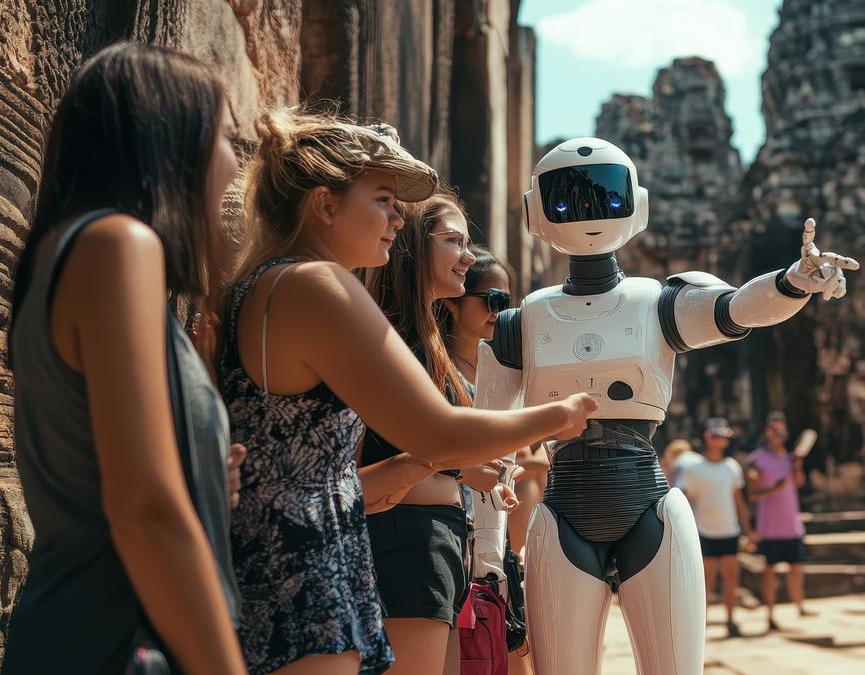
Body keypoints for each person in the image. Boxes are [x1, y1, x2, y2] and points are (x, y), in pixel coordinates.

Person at [220, 108, 595, 675]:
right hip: (300, 580)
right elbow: (441, 434)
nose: (398, 218)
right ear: (325, 204)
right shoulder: (315, 284)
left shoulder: (256, 287)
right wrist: (561, 413)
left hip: (279, 563)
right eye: (382, 200)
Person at [474, 136, 857, 674]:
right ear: (535, 212)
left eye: (604, 195)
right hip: (563, 511)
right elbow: (488, 451)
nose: (586, 212)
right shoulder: (520, 322)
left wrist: (793, 282)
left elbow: (736, 309)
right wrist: (487, 552)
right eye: (568, 200)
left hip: (647, 503)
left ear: (636, 204)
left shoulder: (656, 301)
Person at [2, 43, 245, 674]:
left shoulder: (71, 249)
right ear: (173, 140)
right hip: (111, 644)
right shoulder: (118, 244)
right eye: (224, 136)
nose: (234, 161)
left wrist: (204, 479)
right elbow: (144, 511)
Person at [358, 193, 518, 674]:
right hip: (408, 539)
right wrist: (558, 416)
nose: (468, 256)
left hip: (442, 538)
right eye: (453, 242)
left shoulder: (427, 340)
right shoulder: (395, 338)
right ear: (411, 247)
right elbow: (387, 452)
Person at [443, 246, 540, 675]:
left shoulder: (513, 371)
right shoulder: (438, 369)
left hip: (505, 544)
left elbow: (533, 463)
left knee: (513, 653)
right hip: (456, 532)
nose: (501, 312)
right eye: (492, 299)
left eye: (509, 302)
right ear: (453, 301)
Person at [676, 417, 755, 638]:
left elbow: (739, 501)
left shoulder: (732, 467)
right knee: (706, 581)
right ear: (707, 437)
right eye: (716, 435)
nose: (721, 440)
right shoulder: (694, 468)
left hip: (729, 531)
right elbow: (685, 501)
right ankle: (702, 623)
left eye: (723, 436)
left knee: (732, 579)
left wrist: (749, 531)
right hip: (704, 532)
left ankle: (731, 620)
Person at [748, 411, 814, 628]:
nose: (779, 433)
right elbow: (753, 494)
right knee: (770, 571)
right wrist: (771, 490)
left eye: (782, 430)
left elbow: (799, 483)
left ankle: (800, 606)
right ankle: (770, 614)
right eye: (775, 429)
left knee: (796, 568)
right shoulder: (757, 459)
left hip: (791, 524)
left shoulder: (789, 458)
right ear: (767, 432)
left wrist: (797, 467)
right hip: (769, 526)